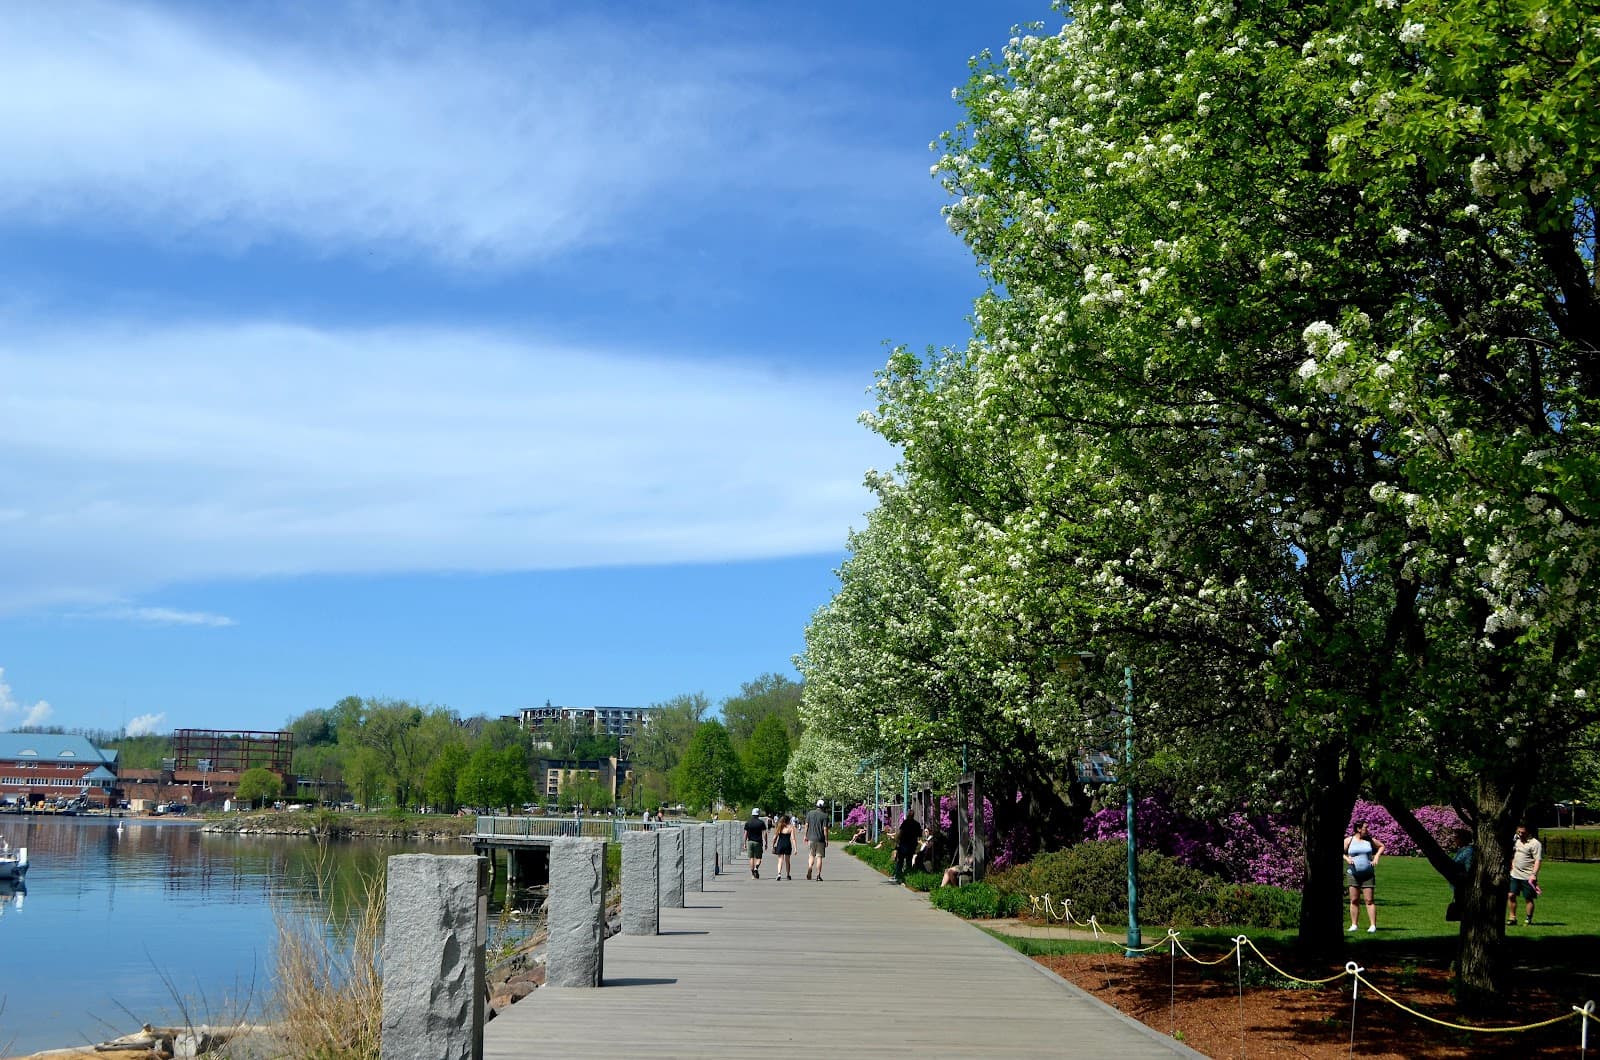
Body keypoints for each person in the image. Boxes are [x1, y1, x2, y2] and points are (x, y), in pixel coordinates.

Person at [1344, 821, 1384, 933]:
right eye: (1366, 827)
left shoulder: (1369, 840)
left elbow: (1381, 846)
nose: (1368, 829)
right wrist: (1347, 858)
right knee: (1354, 900)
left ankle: (1372, 926)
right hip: (1353, 874)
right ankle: (1354, 925)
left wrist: (1376, 858)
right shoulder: (1349, 840)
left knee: (1369, 900)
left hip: (1368, 874)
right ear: (1358, 829)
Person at [1507, 823, 1542, 926]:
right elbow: (1513, 854)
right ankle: (1512, 918)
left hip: (1528, 876)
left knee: (1528, 898)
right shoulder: (1516, 840)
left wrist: (1534, 874)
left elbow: (1538, 860)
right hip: (1515, 874)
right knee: (1511, 895)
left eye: (1523, 832)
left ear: (1528, 832)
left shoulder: (1535, 844)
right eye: (1519, 832)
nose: (1520, 834)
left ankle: (1528, 918)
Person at [893, 808, 924, 884]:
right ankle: (908, 875)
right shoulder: (917, 824)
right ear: (913, 816)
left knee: (900, 861)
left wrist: (896, 841)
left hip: (904, 844)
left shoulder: (905, 823)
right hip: (912, 845)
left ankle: (898, 876)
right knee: (909, 861)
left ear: (908, 815)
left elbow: (900, 832)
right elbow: (920, 835)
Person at [804, 798, 829, 881]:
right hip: (820, 839)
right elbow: (825, 829)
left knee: (811, 855)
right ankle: (818, 875)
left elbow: (806, 825)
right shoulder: (825, 816)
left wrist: (805, 835)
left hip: (811, 838)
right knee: (819, 857)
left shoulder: (810, 813)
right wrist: (826, 839)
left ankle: (810, 866)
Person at [771, 813, 797, 880]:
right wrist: (795, 849)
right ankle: (788, 875)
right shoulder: (791, 827)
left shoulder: (779, 827)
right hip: (787, 844)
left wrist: (773, 845)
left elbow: (775, 837)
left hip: (780, 844)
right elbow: (793, 838)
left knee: (780, 860)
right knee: (787, 860)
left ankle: (779, 874)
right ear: (788, 821)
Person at [744, 807, 768, 879]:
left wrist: (744, 843)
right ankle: (756, 868)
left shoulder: (748, 823)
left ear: (752, 814)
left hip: (750, 841)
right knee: (759, 858)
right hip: (758, 842)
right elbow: (765, 833)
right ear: (758, 814)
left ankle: (752, 874)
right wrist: (766, 842)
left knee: (751, 858)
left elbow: (745, 833)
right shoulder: (761, 823)